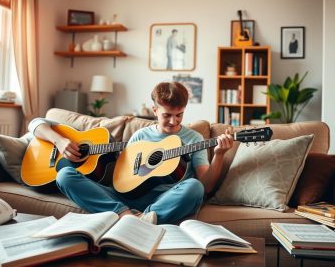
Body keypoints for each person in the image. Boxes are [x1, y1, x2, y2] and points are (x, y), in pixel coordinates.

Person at [28, 82, 233, 225]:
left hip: (166, 199)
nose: (174, 121)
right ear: (154, 110)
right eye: (167, 115)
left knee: (194, 187)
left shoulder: (194, 139)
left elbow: (206, 186)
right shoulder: (140, 135)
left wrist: (220, 155)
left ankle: (142, 220)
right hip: (125, 199)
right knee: (64, 176)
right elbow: (122, 178)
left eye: (179, 115)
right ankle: (125, 215)